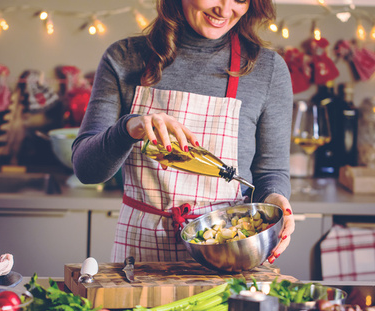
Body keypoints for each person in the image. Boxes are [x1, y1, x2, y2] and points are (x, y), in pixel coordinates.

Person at [72, 0, 295, 265]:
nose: (224, 10)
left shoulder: (267, 69)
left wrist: (275, 200)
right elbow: (86, 170)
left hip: (229, 252)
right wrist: (130, 128)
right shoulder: (124, 58)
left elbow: (270, 172)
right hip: (140, 257)